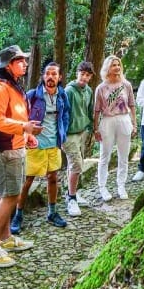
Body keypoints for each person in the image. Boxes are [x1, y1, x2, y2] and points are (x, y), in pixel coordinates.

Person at [0, 45, 42, 268]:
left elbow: (16, 116)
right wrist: (23, 128)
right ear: (8, 65)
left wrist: (27, 135)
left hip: (14, 146)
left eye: (25, 60)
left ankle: (5, 239)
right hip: (3, 149)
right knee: (10, 196)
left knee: (5, 194)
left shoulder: (12, 86)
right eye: (20, 61)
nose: (25, 64)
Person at [12, 62, 70, 233]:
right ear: (43, 76)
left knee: (53, 178)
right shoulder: (32, 95)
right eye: (48, 74)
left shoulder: (62, 96)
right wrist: (26, 136)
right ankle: (18, 215)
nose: (50, 77)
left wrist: (63, 133)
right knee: (27, 181)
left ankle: (52, 212)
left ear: (60, 77)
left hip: (54, 144)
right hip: (34, 145)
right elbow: (20, 117)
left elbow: (66, 114)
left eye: (54, 74)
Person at [92, 55, 136, 202]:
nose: (117, 67)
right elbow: (96, 110)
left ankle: (121, 185)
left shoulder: (126, 85)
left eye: (118, 65)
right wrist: (95, 129)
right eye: (113, 65)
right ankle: (102, 187)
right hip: (107, 121)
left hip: (124, 119)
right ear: (107, 68)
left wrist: (134, 124)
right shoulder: (101, 88)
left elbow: (132, 105)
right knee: (105, 155)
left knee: (124, 156)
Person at [62, 60, 96, 216]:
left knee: (74, 163)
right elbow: (61, 113)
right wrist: (61, 134)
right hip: (69, 134)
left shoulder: (88, 91)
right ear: (77, 74)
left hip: (82, 132)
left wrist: (90, 127)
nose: (84, 77)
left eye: (88, 75)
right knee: (77, 165)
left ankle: (71, 193)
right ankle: (72, 198)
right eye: (82, 74)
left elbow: (89, 110)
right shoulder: (69, 91)